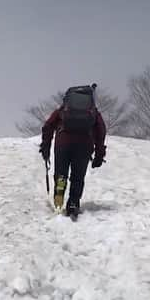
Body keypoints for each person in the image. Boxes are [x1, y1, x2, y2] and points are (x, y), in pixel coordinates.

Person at [39, 84, 107, 217]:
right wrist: (99, 154)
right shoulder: (93, 112)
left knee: (61, 174)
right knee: (78, 177)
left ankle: (59, 198)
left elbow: (48, 126)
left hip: (63, 145)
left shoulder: (63, 110)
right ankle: (73, 204)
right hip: (84, 146)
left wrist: (45, 146)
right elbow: (101, 131)